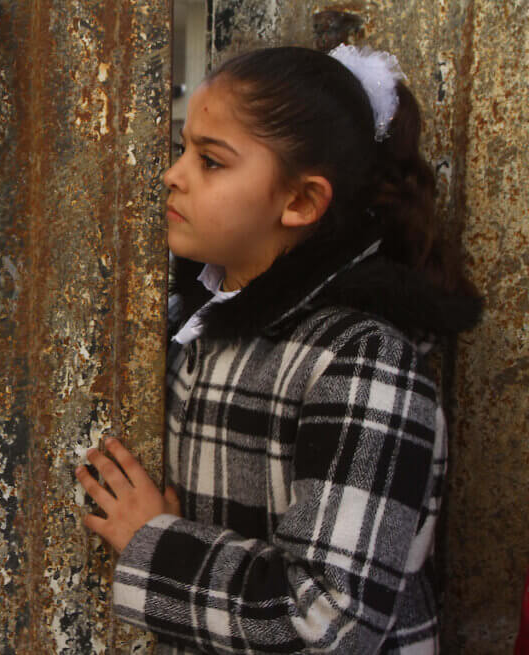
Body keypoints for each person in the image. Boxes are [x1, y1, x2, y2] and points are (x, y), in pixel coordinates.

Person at [74, 45, 482, 653]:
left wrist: (151, 540)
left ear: (299, 202)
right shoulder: (194, 322)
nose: (173, 174)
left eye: (211, 161)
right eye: (182, 148)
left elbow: (330, 625)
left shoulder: (364, 364)